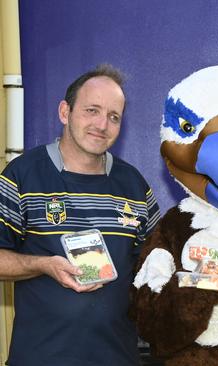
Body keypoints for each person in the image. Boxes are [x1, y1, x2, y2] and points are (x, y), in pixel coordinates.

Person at [0, 64, 161, 365]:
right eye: (91, 110)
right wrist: (44, 265)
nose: (102, 124)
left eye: (114, 116)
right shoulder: (22, 176)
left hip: (119, 358)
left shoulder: (134, 185)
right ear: (65, 112)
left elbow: (156, 267)